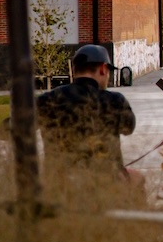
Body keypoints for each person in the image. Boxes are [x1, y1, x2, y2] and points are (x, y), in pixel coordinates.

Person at [37, 44, 142, 185]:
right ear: (103, 69)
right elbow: (128, 128)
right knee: (138, 179)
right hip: (105, 181)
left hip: (59, 181)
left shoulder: (48, 100)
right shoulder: (115, 100)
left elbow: (11, 129)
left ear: (74, 70)